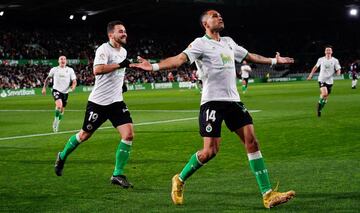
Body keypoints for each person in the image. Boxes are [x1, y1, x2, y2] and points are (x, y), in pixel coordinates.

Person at [131, 9, 295, 209]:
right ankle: (180, 179)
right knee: (210, 151)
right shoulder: (200, 43)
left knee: (252, 142)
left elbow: (250, 56)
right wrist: (154, 67)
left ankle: (268, 194)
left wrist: (274, 60)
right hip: (212, 102)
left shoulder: (228, 42)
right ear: (205, 24)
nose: (220, 17)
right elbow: (179, 60)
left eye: (220, 15)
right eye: (214, 15)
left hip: (233, 101)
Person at [54, 20, 134, 188]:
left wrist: (122, 84)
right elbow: (97, 70)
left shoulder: (124, 51)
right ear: (111, 35)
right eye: (121, 31)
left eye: (125, 30)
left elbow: (119, 72)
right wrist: (120, 65)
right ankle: (62, 156)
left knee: (128, 135)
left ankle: (117, 174)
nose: (124, 33)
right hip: (98, 103)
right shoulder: (103, 49)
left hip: (116, 102)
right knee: (84, 135)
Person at [42, 56, 77, 132]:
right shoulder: (54, 69)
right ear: (58, 61)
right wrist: (44, 87)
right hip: (56, 90)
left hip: (66, 92)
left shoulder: (70, 70)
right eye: (61, 59)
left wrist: (73, 86)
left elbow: (74, 81)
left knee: (62, 110)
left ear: (66, 61)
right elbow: (48, 79)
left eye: (64, 59)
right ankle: (55, 120)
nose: (63, 60)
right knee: (59, 105)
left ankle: (58, 123)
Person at [307, 46, 341, 117]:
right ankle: (318, 107)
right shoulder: (321, 59)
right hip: (322, 79)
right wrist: (310, 75)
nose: (328, 51)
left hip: (330, 81)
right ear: (325, 52)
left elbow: (338, 68)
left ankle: (319, 108)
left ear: (332, 52)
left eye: (329, 50)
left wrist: (338, 72)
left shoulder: (335, 60)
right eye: (327, 50)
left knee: (325, 99)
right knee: (325, 94)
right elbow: (315, 67)